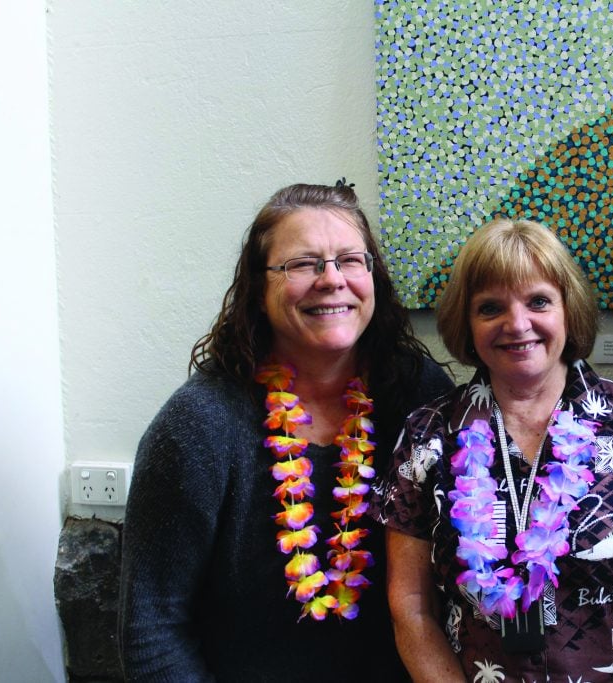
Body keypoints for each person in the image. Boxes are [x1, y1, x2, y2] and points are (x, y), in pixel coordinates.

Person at [119, 181, 454, 681]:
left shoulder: (419, 395)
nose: (331, 279)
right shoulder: (198, 426)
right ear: (258, 287)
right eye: (302, 264)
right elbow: (151, 628)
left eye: (350, 260)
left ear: (373, 277)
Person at [375, 218, 613, 682]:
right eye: (490, 308)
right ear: (466, 322)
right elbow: (410, 605)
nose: (517, 324)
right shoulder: (427, 434)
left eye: (539, 301)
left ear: (569, 309)